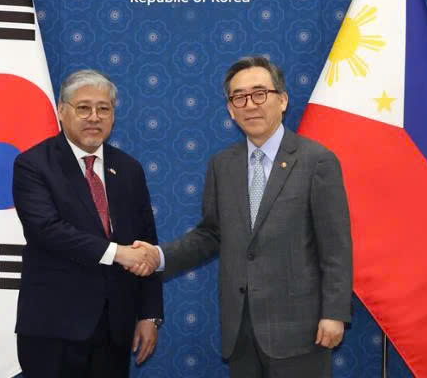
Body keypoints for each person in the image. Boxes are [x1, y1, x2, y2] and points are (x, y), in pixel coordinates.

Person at [133, 56, 352, 377]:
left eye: (260, 93)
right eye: (239, 97)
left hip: (301, 331)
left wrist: (334, 314)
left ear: (283, 100)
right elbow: (210, 234)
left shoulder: (317, 161)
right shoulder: (222, 165)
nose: (250, 104)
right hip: (240, 331)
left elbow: (336, 248)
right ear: (231, 110)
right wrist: (158, 256)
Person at [12, 69, 163, 378]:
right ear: (61, 111)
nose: (94, 117)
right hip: (54, 328)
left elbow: (146, 241)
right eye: (83, 108)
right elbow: (47, 230)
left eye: (103, 108)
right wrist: (117, 253)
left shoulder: (129, 169)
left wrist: (149, 315)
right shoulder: (33, 165)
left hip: (114, 329)